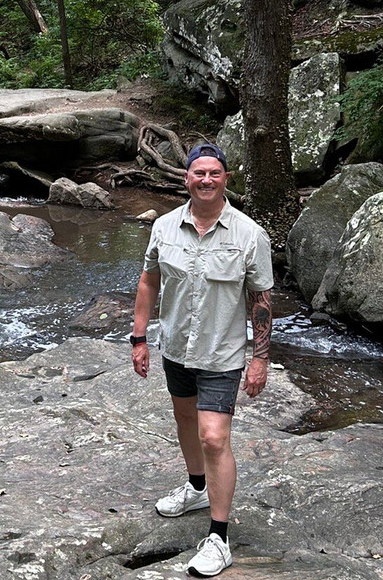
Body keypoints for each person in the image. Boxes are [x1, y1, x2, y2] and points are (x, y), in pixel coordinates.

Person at [130, 142, 274, 578]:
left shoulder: (249, 234)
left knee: (214, 437)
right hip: (175, 346)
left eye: (214, 173)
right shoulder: (165, 227)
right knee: (185, 419)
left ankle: (219, 536)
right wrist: (139, 338)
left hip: (221, 352)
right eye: (199, 173)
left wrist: (260, 358)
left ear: (225, 179)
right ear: (186, 179)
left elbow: (261, 299)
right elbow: (148, 282)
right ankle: (196, 486)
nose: (206, 180)